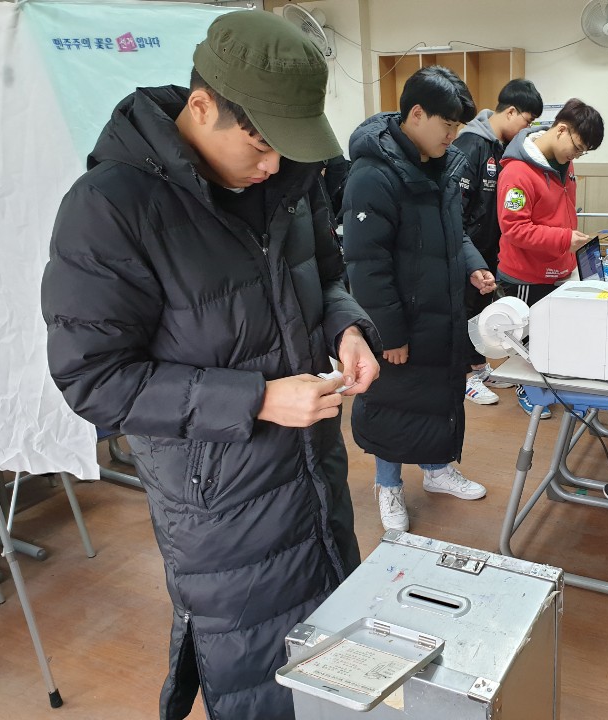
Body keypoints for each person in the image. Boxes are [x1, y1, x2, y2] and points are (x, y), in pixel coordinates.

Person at [40, 13, 381, 720]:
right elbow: (92, 379)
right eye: (260, 143)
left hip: (312, 472)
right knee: (257, 677)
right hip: (219, 505)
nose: (274, 165)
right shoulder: (110, 208)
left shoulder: (289, 178)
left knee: (329, 665)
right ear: (201, 108)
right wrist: (257, 399)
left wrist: (346, 324)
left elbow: (325, 271)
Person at [342, 66, 496, 533]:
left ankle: (436, 471)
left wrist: (472, 261)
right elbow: (366, 266)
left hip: (441, 310)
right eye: (446, 126)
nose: (452, 137)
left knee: (440, 395)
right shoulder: (373, 175)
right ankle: (388, 487)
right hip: (400, 320)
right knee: (395, 401)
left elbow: (456, 231)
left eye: (458, 129)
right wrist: (388, 332)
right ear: (416, 114)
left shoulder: (442, 165)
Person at [495, 98, 604, 417]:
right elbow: (514, 229)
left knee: (552, 336)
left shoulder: (564, 164)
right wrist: (564, 239)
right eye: (578, 147)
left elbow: (560, 213)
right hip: (526, 275)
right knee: (527, 339)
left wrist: (569, 241)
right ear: (561, 129)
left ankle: (551, 386)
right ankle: (527, 390)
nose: (577, 155)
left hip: (558, 267)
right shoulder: (516, 172)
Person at [453, 78, 544, 406]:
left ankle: (478, 366)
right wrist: (468, 253)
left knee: (481, 310)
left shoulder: (499, 147)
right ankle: (465, 377)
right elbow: (457, 208)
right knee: (463, 309)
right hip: (466, 248)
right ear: (511, 112)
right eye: (527, 121)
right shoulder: (471, 145)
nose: (527, 129)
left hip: (489, 248)